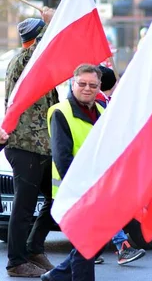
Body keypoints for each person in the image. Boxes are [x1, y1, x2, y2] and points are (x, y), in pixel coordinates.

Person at [4, 10, 57, 278]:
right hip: (24, 145)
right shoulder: (24, 61)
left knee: (57, 198)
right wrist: (52, 22)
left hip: (43, 146)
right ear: (35, 40)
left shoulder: (38, 65)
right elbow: (43, 49)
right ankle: (16, 262)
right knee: (23, 207)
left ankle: (34, 247)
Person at [41, 64, 106, 281]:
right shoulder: (61, 112)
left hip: (97, 191)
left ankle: (57, 276)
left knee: (95, 243)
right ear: (73, 83)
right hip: (73, 191)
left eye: (93, 85)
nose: (87, 88)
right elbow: (62, 159)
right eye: (82, 84)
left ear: (99, 87)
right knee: (86, 247)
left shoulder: (102, 112)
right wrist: (80, 190)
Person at [92, 65, 146, 266]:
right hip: (100, 166)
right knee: (108, 206)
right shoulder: (99, 104)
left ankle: (93, 249)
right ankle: (121, 245)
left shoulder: (106, 102)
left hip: (103, 164)